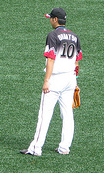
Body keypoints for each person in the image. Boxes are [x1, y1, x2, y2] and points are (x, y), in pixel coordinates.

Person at [20, 8, 82, 156]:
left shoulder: (53, 35)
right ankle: (64, 147)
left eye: (51, 18)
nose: (50, 20)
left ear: (55, 20)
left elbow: (50, 59)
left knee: (44, 115)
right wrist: (75, 82)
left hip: (56, 79)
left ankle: (36, 148)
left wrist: (46, 80)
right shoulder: (74, 36)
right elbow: (77, 62)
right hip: (70, 79)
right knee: (67, 114)